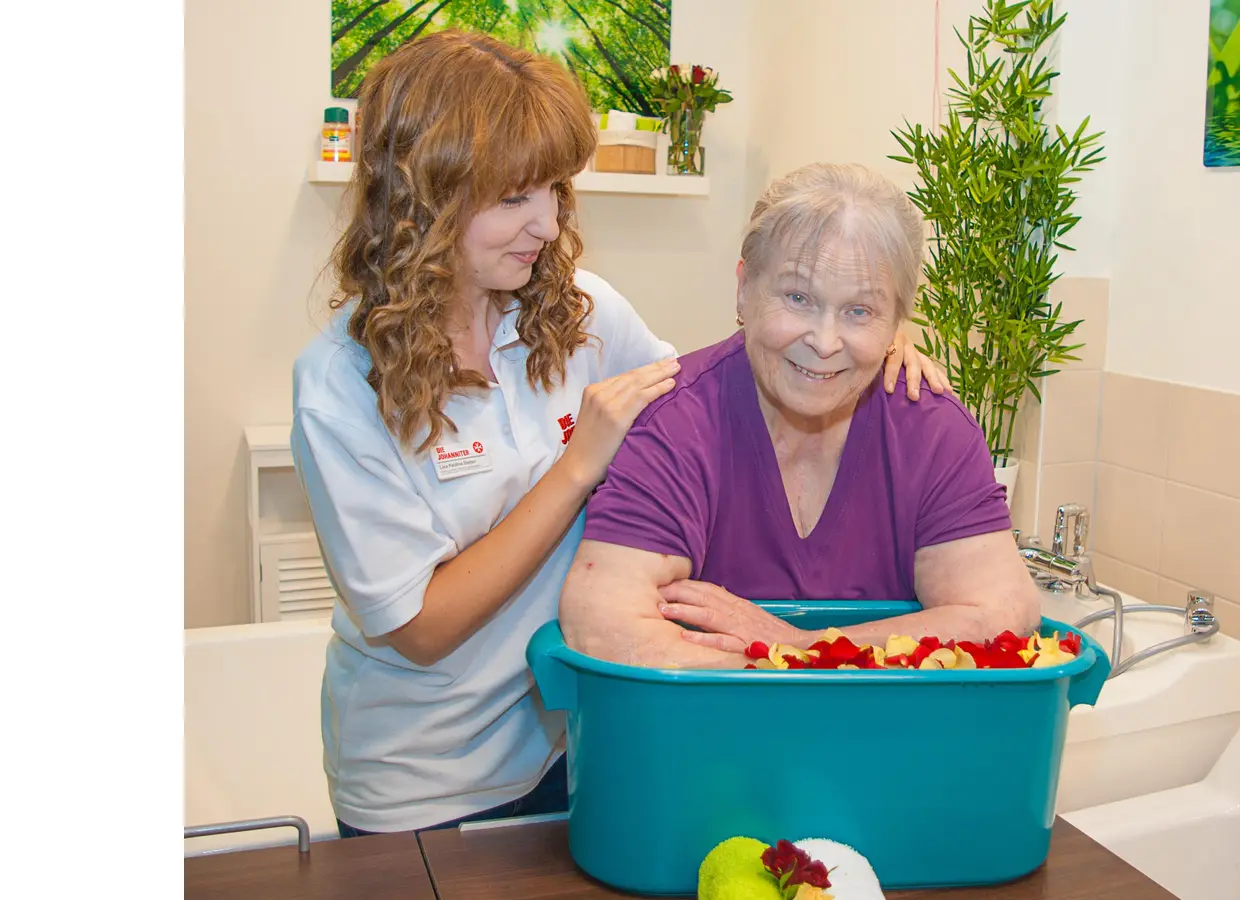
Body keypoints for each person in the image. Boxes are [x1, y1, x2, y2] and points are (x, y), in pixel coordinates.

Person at [289, 33, 948, 836]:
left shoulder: (582, 312)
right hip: (426, 780)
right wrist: (575, 468)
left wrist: (866, 338)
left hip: (572, 741)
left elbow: (723, 386)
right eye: (512, 198)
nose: (547, 222)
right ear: (423, 196)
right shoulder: (339, 383)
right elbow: (421, 626)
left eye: (556, 190)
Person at [559, 163, 1042, 667]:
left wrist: (802, 649)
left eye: (860, 311)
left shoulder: (932, 429)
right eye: (797, 298)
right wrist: (800, 662)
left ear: (898, 319)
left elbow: (1003, 611)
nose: (825, 342)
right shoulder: (678, 425)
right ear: (745, 288)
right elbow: (601, 625)